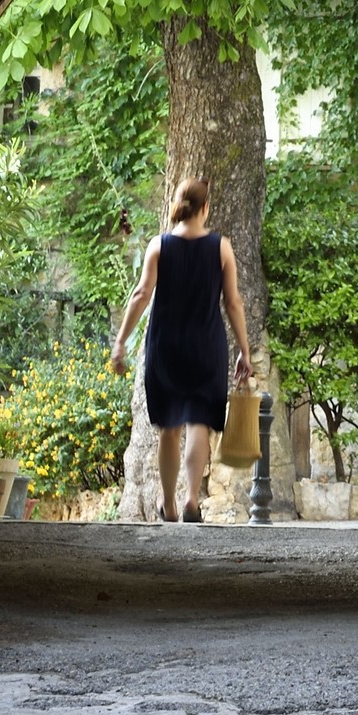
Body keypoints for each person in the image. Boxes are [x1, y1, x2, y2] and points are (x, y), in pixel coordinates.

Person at [110, 176, 252, 523]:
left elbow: (141, 294)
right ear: (206, 208)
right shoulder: (221, 247)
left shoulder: (159, 246)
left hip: (166, 347)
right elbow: (233, 302)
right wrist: (244, 351)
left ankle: (169, 507)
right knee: (200, 422)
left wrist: (120, 343)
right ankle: (190, 499)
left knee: (169, 428)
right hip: (206, 347)